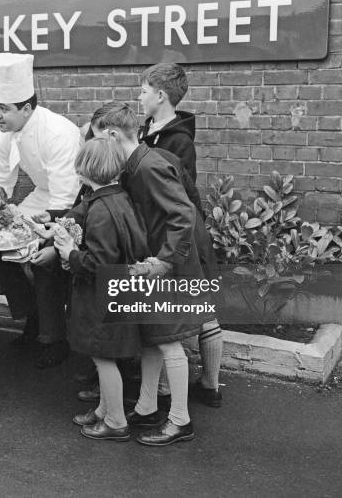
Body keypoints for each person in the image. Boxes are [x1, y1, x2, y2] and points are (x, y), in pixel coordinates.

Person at [96, 102, 213, 446]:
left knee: (170, 341)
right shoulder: (141, 162)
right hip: (157, 261)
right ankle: (147, 407)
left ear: (114, 135)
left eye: (101, 138)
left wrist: (163, 263)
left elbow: (182, 214)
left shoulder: (147, 168)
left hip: (166, 265)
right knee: (153, 339)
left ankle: (180, 420)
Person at [0, 53, 81, 368]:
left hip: (73, 201)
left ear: (27, 108)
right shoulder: (6, 133)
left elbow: (64, 200)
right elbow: (1, 181)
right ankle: (32, 318)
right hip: (45, 195)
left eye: (4, 108)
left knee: (42, 258)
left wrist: (45, 238)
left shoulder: (58, 132)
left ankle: (55, 337)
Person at [138, 63, 223, 407]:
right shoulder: (149, 129)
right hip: (170, 227)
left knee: (195, 308)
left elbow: (177, 193)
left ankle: (206, 385)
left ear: (160, 96)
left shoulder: (179, 140)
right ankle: (177, 388)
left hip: (181, 230)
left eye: (143, 91)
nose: (139, 96)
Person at [53, 137, 149, 442]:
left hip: (101, 299)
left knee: (102, 358)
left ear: (86, 169)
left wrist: (70, 252)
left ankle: (116, 421)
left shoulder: (100, 211)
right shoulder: (117, 198)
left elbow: (99, 262)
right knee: (104, 356)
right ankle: (104, 410)